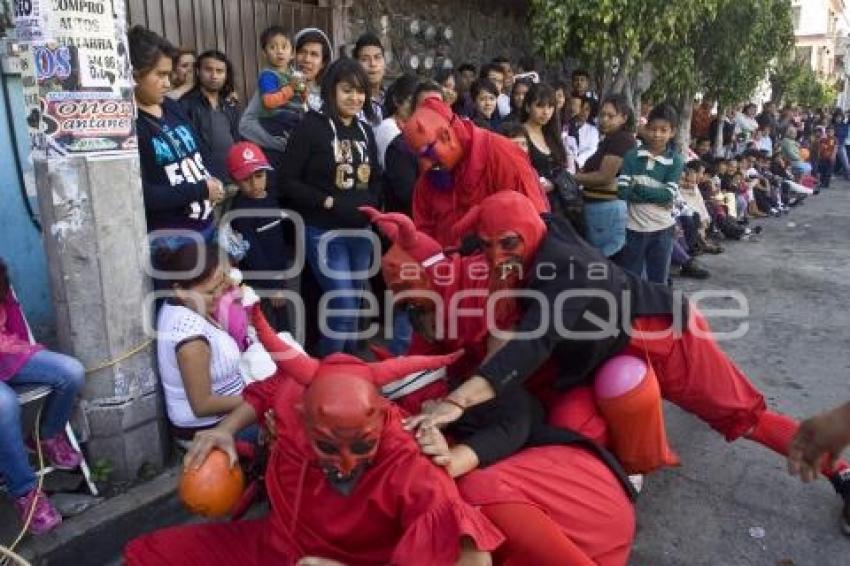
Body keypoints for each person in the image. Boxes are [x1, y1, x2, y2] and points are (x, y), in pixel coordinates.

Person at [403, 190, 850, 539]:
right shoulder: (537, 226)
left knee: (740, 415)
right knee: (568, 419)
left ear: (527, 235)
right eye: (488, 246)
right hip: (597, 350)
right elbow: (483, 241)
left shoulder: (567, 269)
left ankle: (841, 471)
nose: (497, 257)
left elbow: (532, 343)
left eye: (507, 245)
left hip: (656, 335)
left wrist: (458, 402)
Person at [125, 309, 501, 565]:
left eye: (361, 445)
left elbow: (472, 556)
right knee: (146, 553)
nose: (347, 464)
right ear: (303, 416)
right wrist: (223, 431)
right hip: (275, 546)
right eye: (328, 446)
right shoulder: (292, 398)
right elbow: (265, 392)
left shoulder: (406, 455)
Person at [278, 58, 381, 355]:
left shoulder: (365, 130)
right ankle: (325, 369)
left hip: (361, 232)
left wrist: (371, 204)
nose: (355, 98)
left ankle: (347, 369)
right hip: (324, 232)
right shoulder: (311, 127)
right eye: (347, 90)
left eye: (360, 91)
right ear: (331, 90)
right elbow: (287, 181)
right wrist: (328, 201)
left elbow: (376, 177)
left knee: (355, 303)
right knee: (343, 304)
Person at [1, 258, 85, 535]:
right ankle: (25, 493)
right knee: (4, 405)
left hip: (6, 350)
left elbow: (13, 318)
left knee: (70, 372)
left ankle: (46, 436)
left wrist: (29, 350)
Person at [402, 96, 549, 247]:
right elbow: (423, 236)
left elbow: (535, 228)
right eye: (419, 157)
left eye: (428, 154)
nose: (425, 166)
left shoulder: (503, 157)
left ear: (446, 136)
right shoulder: (429, 180)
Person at [153, 242, 256, 443]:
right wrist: (258, 399)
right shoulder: (190, 339)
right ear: (180, 290)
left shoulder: (186, 304)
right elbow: (202, 406)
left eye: (221, 285)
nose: (219, 295)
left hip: (233, 410)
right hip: (207, 429)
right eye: (210, 292)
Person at [130, 26, 224, 241]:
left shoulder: (171, 106)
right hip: (173, 238)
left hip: (207, 223)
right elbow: (145, 195)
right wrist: (201, 189)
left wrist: (214, 179)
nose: (168, 83)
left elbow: (200, 149)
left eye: (168, 74)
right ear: (134, 74)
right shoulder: (131, 126)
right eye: (160, 75)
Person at [240, 27, 333, 181]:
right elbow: (245, 126)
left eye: (314, 55)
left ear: (323, 62)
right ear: (293, 55)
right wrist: (287, 146)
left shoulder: (329, 95)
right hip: (276, 166)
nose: (307, 59)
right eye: (302, 52)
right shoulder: (275, 84)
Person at [225, 142, 293, 332]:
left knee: (284, 330)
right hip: (259, 284)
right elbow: (253, 254)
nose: (255, 184)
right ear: (235, 180)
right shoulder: (240, 211)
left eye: (259, 176)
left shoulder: (271, 198)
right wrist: (272, 286)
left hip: (279, 277)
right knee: (267, 332)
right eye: (246, 179)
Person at [617, 103, 683, 284]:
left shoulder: (675, 161)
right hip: (633, 229)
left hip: (662, 230)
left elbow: (668, 195)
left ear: (673, 132)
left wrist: (637, 188)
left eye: (664, 130)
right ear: (646, 128)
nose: (657, 134)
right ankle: (633, 312)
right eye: (653, 129)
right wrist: (656, 194)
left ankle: (656, 312)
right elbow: (622, 191)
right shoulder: (632, 156)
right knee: (632, 280)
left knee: (658, 281)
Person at [575, 94, 636, 259]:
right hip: (601, 209)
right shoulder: (610, 139)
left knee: (604, 261)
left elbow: (604, 176)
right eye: (602, 115)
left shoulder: (622, 140)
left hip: (607, 210)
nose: (604, 119)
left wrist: (571, 178)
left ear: (624, 117)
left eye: (611, 116)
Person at [180, 50, 241, 191]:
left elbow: (237, 141)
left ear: (226, 75)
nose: (214, 76)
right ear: (198, 71)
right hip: (206, 184)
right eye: (208, 70)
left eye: (220, 71)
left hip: (233, 180)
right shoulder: (186, 105)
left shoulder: (229, 106)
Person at [520, 83, 567, 213]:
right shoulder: (518, 134)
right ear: (528, 107)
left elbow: (562, 168)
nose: (546, 112)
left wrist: (554, 183)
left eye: (550, 106)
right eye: (540, 106)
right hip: (530, 206)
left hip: (557, 206)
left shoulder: (551, 134)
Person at [373, 74, 418, 169]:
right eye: (410, 102)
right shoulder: (387, 128)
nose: (415, 108)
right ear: (396, 100)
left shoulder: (412, 127)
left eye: (418, 102)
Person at [353, 32, 386, 124]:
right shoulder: (352, 102)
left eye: (377, 57)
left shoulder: (393, 99)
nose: (372, 64)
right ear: (355, 65)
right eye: (365, 59)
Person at [569, 94, 600, 168]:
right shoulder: (567, 125)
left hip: (583, 166)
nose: (583, 111)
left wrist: (577, 161)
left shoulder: (593, 131)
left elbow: (592, 150)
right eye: (581, 108)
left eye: (587, 109)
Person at [817, 124, 838, 190]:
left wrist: (833, 155)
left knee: (828, 171)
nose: (830, 133)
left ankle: (826, 184)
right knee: (823, 170)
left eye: (831, 131)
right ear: (826, 132)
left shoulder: (834, 139)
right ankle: (822, 182)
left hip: (830, 158)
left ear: (834, 132)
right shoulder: (823, 139)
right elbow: (820, 147)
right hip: (823, 157)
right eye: (828, 131)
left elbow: (835, 147)